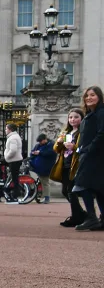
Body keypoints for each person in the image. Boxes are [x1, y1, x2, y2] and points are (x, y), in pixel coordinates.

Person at [71, 86, 104, 231]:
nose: (89, 98)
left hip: (95, 155)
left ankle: (91, 218)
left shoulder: (101, 112)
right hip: (90, 154)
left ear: (99, 97)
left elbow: (102, 133)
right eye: (87, 95)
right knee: (98, 189)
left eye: (93, 95)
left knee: (81, 185)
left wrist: (89, 149)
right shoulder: (91, 114)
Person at [52, 109, 86, 227]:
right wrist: (59, 142)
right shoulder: (67, 132)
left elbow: (82, 148)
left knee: (71, 191)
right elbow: (56, 149)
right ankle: (81, 214)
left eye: (76, 117)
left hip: (75, 164)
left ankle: (77, 216)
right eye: (70, 117)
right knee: (65, 191)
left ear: (81, 118)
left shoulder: (82, 132)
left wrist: (74, 147)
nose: (72, 120)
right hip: (65, 164)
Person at [29, 133, 55, 204]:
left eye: (41, 141)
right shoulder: (38, 145)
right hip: (38, 167)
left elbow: (51, 153)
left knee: (45, 182)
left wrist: (40, 153)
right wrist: (33, 153)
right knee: (43, 182)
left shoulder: (51, 145)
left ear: (45, 139)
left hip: (46, 167)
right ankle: (43, 196)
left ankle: (46, 197)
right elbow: (32, 152)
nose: (40, 143)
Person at [3, 122, 23, 203]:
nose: (5, 130)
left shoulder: (13, 138)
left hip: (14, 160)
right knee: (14, 178)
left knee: (15, 179)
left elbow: (13, 150)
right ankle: (12, 193)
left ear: (10, 129)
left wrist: (7, 157)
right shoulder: (14, 137)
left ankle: (15, 195)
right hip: (15, 160)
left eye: (6, 129)